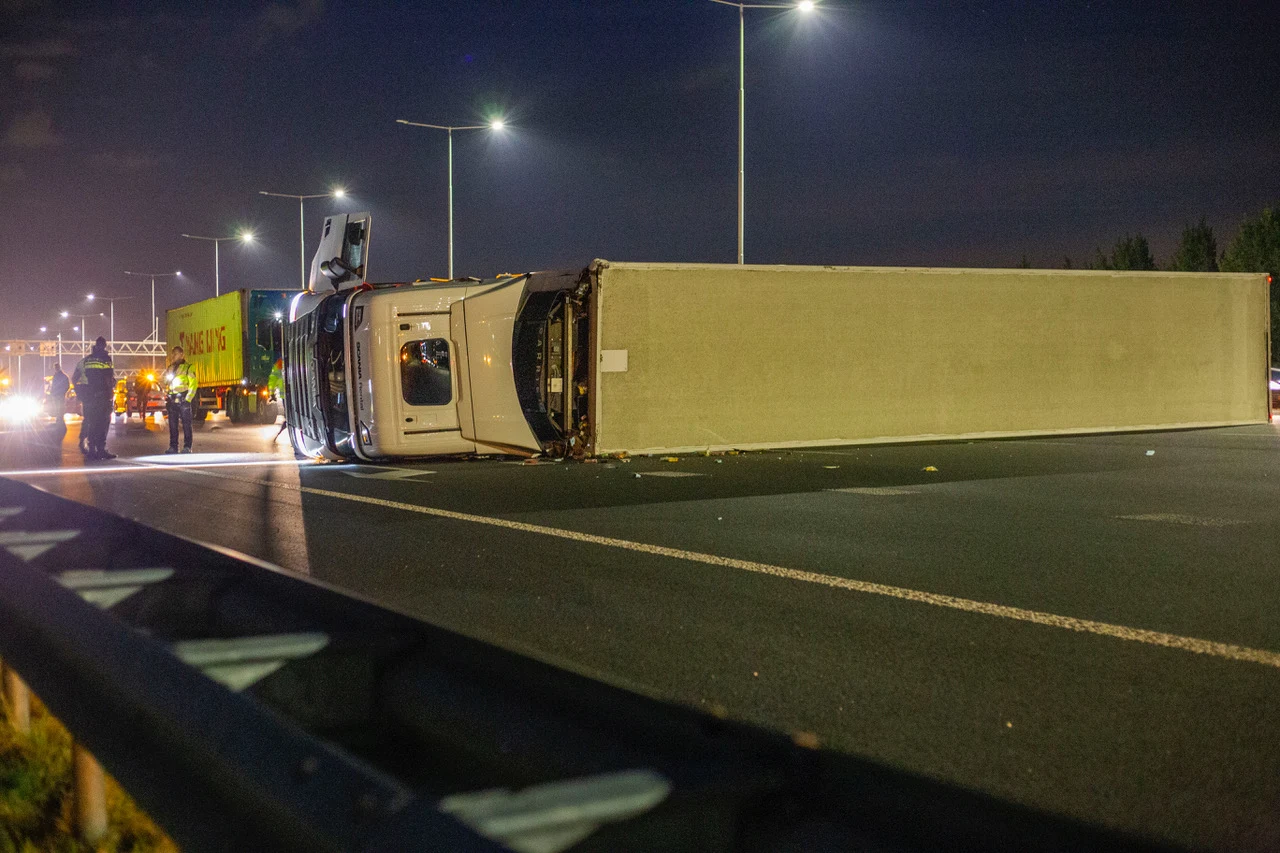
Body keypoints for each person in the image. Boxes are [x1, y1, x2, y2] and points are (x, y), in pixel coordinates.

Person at [82, 338, 116, 460]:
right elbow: (108, 377)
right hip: (102, 396)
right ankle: (101, 449)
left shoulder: (88, 359)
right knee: (103, 423)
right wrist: (110, 393)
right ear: (104, 345)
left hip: (90, 396)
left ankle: (91, 450)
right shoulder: (105, 358)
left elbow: (84, 378)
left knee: (92, 423)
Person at [164, 346, 197, 454]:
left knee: (186, 424)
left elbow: (193, 384)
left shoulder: (188, 367)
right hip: (172, 399)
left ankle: (187, 446)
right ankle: (173, 447)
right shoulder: (170, 368)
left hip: (183, 398)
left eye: (176, 354)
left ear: (182, 354)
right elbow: (165, 382)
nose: (173, 356)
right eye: (172, 354)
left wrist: (188, 399)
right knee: (172, 425)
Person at [70, 355, 89, 454]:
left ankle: (85, 440)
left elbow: (74, 378)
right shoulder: (102, 360)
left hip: (88, 394)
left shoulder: (83, 362)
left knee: (89, 418)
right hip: (94, 394)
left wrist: (79, 391)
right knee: (93, 418)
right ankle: (90, 441)